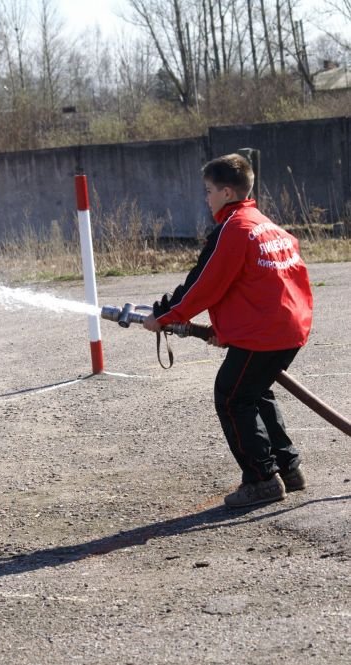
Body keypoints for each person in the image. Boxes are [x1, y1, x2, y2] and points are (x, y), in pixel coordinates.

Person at [143, 153, 313, 508]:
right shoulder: (265, 225)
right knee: (254, 391)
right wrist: (227, 329)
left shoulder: (234, 229)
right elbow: (258, 284)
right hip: (289, 326)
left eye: (208, 191)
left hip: (264, 332)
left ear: (226, 192)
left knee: (232, 398)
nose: (206, 198)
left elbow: (204, 283)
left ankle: (262, 480)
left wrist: (165, 315)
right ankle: (289, 469)